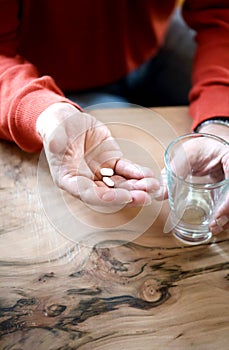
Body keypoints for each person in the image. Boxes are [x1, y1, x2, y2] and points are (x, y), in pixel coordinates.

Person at [0, 0, 228, 235]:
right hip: (42, 78)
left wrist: (219, 123)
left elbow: (220, 11)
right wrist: (43, 110)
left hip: (152, 42)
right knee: (136, 163)